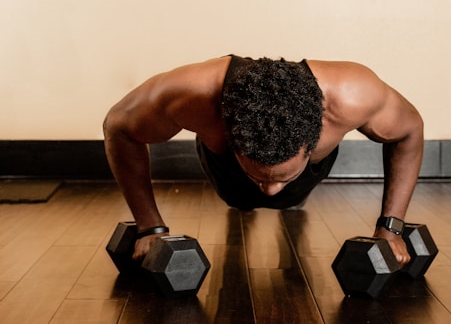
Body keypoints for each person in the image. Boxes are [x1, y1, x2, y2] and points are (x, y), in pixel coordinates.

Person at [103, 55, 424, 265]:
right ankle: (258, 176)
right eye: (261, 178)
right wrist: (149, 227)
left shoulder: (353, 95)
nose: (270, 190)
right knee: (242, 198)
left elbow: (410, 129)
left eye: (281, 178)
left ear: (317, 136)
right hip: (227, 180)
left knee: (285, 198)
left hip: (306, 181)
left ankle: (274, 176)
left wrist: (390, 227)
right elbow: (118, 127)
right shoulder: (190, 95)